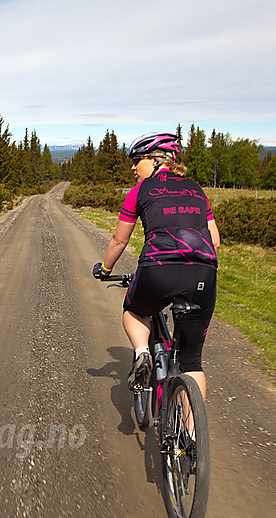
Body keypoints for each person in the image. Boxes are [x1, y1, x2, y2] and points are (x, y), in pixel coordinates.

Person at [93, 132, 220, 400]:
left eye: (136, 160)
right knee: (191, 361)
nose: (133, 167)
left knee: (133, 310)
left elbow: (119, 239)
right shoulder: (197, 189)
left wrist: (105, 269)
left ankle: (142, 353)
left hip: (158, 269)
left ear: (154, 160)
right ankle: (192, 436)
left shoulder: (140, 191)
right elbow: (215, 241)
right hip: (203, 272)